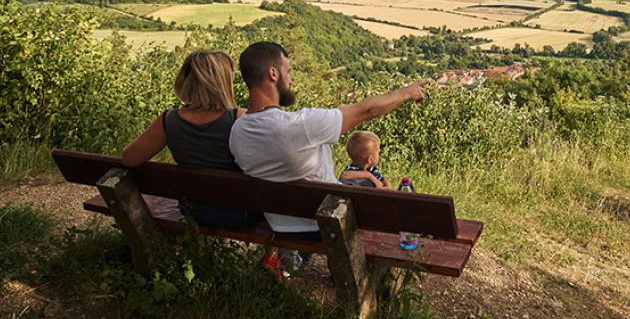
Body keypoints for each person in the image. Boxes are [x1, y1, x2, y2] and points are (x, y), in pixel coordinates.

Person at [229, 41, 426, 238]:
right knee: (403, 203)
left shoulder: (237, 132)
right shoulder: (299, 125)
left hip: (280, 226)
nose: (291, 81)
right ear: (273, 74)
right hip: (327, 224)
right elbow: (367, 110)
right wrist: (406, 92)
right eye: (287, 71)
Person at [122, 50, 262, 228]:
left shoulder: (168, 120)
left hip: (193, 212)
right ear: (223, 82)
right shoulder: (240, 119)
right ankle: (280, 255)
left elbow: (129, 158)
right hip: (240, 214)